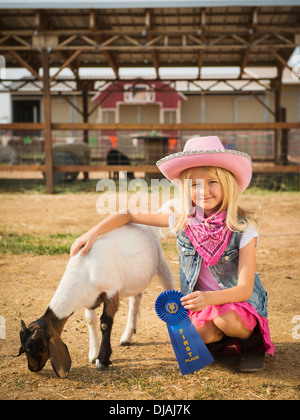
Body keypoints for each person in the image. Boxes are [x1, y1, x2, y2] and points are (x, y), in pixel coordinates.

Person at [70, 136, 274, 372]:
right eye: (195, 184)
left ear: (227, 182)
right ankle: (222, 341)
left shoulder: (243, 227)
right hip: (202, 306)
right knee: (197, 333)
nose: (203, 191)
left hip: (237, 304)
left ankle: (251, 344)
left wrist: (208, 298)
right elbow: (128, 214)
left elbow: (245, 289)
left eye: (212, 182)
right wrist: (92, 233)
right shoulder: (182, 219)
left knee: (225, 319)